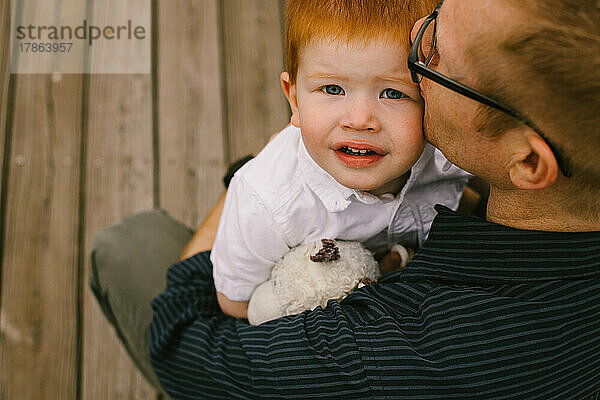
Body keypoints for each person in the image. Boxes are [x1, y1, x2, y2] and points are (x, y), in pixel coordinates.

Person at [91, 0, 600, 398]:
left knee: (126, 244)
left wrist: (252, 175)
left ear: (529, 163)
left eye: (434, 56)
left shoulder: (393, 352)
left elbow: (180, 344)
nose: (414, 49)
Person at [212, 0, 469, 319]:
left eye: (392, 93)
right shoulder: (268, 203)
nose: (360, 120)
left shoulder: (450, 156)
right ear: (294, 99)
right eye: (332, 88)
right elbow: (235, 301)